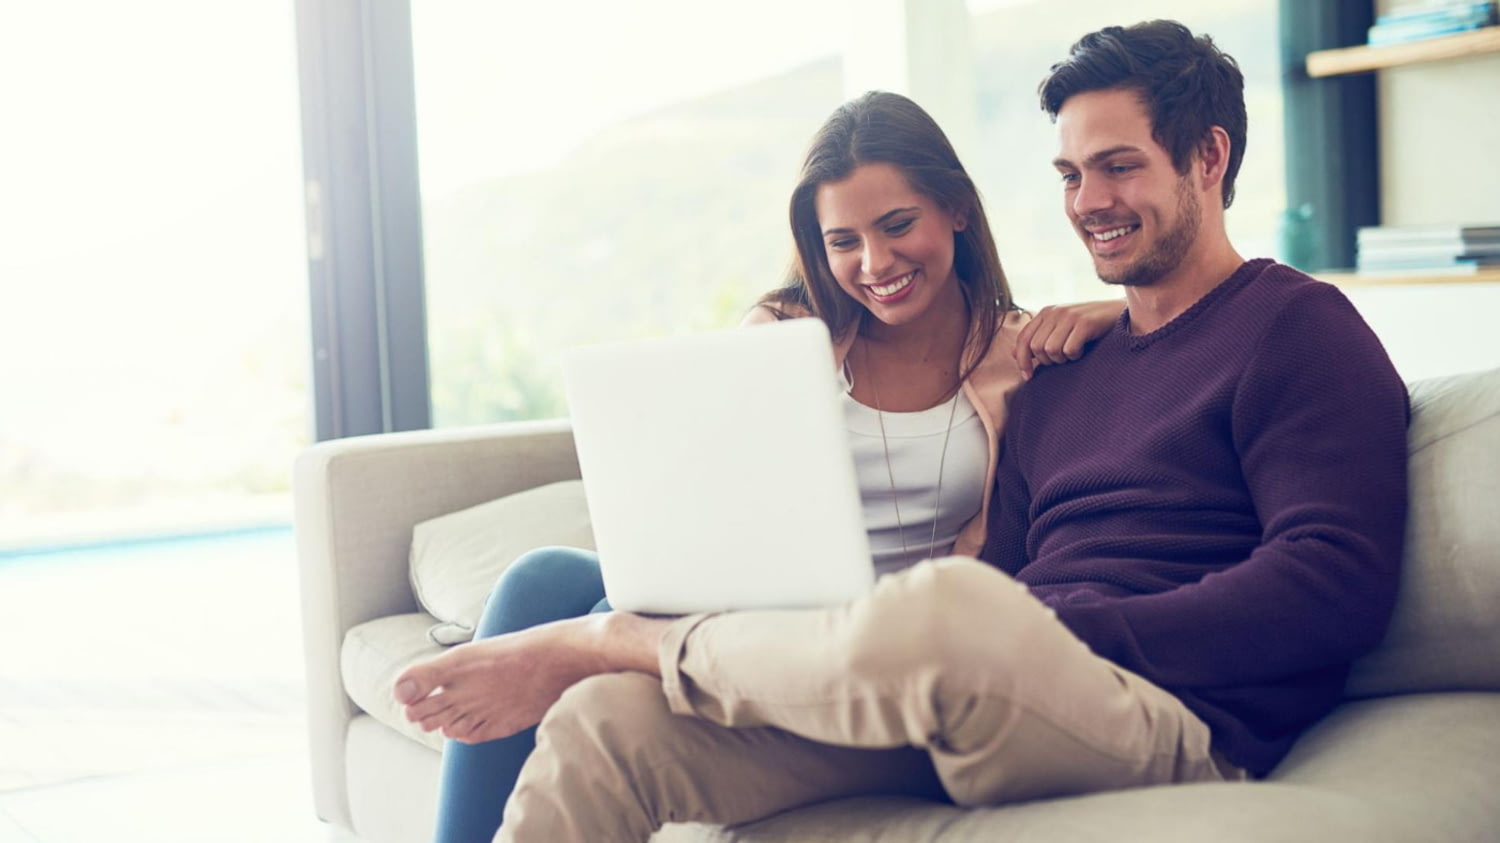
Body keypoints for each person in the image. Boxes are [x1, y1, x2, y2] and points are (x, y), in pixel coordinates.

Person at [396, 21, 1410, 841]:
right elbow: (1011, 577)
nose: (1089, 202)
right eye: (1067, 175)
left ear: (1208, 157)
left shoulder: (1298, 329)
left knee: (951, 609)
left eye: (1117, 167)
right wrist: (1016, 627)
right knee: (604, 725)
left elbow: (1332, 584)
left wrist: (1054, 633)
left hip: (1167, 717)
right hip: (983, 689)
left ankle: (615, 638)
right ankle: (617, 664)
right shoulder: (1059, 376)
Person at [419, 90, 1124, 842]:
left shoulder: (1022, 356)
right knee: (540, 578)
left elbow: (1166, 308)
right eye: (843, 241)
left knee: (598, 633)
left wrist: (1105, 310)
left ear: (955, 209)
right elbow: (721, 497)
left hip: (872, 644)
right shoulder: (787, 333)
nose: (875, 263)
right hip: (763, 607)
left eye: (897, 226)